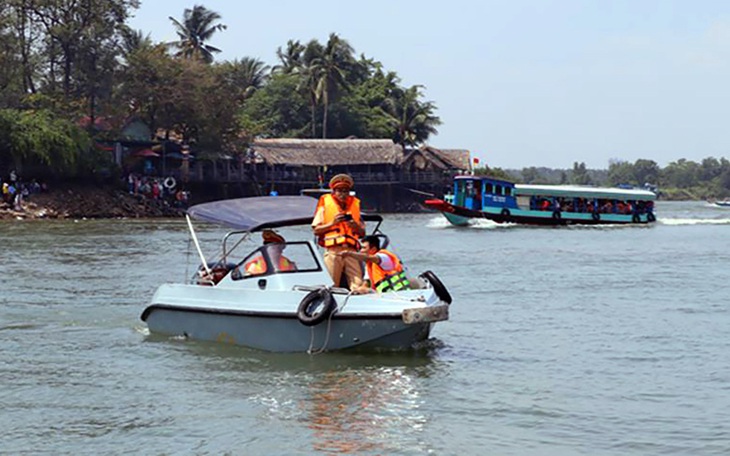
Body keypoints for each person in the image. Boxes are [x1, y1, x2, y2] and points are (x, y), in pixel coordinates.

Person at [311, 174, 366, 290]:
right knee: (331, 285)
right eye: (339, 191)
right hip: (333, 251)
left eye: (346, 191)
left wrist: (354, 225)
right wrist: (333, 223)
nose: (343, 194)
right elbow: (316, 230)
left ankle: (359, 301)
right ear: (334, 192)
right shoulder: (325, 205)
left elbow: (362, 233)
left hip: (351, 251)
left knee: (358, 284)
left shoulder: (355, 206)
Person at [340, 235, 410, 294]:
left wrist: (350, 254)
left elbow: (369, 257)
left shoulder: (384, 257)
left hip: (399, 294)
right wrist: (361, 289)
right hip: (384, 296)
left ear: (373, 249)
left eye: (364, 248)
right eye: (360, 248)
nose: (361, 251)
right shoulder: (370, 264)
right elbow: (367, 282)